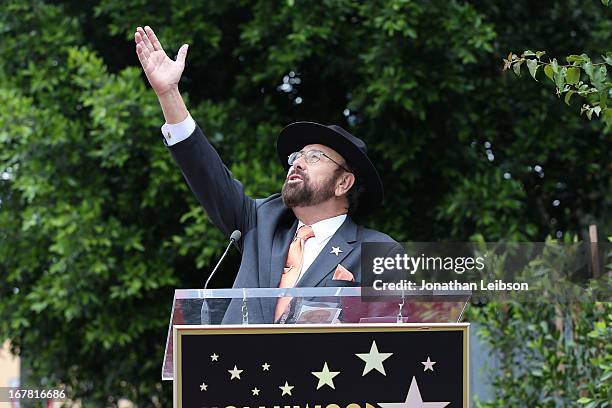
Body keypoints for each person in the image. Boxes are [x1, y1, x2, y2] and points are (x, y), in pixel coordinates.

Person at [134, 26, 402, 323]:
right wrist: (169, 93)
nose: (297, 163)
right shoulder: (260, 221)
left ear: (344, 182)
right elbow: (206, 173)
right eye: (296, 156)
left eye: (314, 157)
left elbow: (385, 338)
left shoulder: (379, 252)